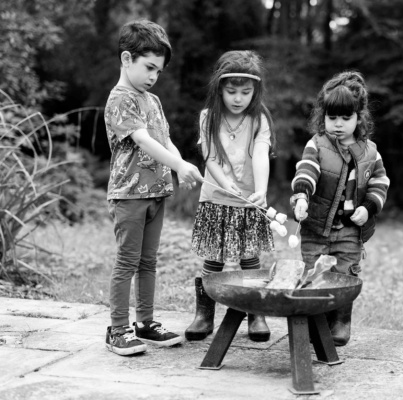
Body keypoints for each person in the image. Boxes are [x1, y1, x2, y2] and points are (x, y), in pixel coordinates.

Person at [104, 20, 204, 356]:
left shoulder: (153, 101)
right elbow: (143, 140)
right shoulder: (121, 100)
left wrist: (183, 166)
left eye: (158, 71)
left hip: (156, 193)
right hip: (129, 196)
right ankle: (117, 329)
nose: (153, 76)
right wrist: (177, 165)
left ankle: (144, 323)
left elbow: (166, 141)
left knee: (149, 262)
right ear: (126, 58)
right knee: (127, 262)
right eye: (148, 67)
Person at [290, 71, 390, 346]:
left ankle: (341, 321)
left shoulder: (370, 152)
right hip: (316, 227)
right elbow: (306, 171)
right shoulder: (317, 145)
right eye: (332, 118)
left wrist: (369, 207)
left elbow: (380, 183)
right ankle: (314, 321)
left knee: (345, 274)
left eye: (346, 118)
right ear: (323, 117)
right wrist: (301, 196)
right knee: (313, 274)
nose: (338, 124)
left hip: (349, 230)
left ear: (359, 118)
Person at [186, 50, 276, 342]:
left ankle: (256, 314)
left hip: (249, 201)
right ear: (219, 89)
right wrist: (225, 183)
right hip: (215, 198)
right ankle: (203, 315)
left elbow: (261, 154)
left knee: (250, 259)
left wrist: (261, 190)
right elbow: (209, 157)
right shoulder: (208, 117)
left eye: (246, 92)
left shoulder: (259, 118)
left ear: (255, 91)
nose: (238, 98)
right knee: (214, 259)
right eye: (231, 91)